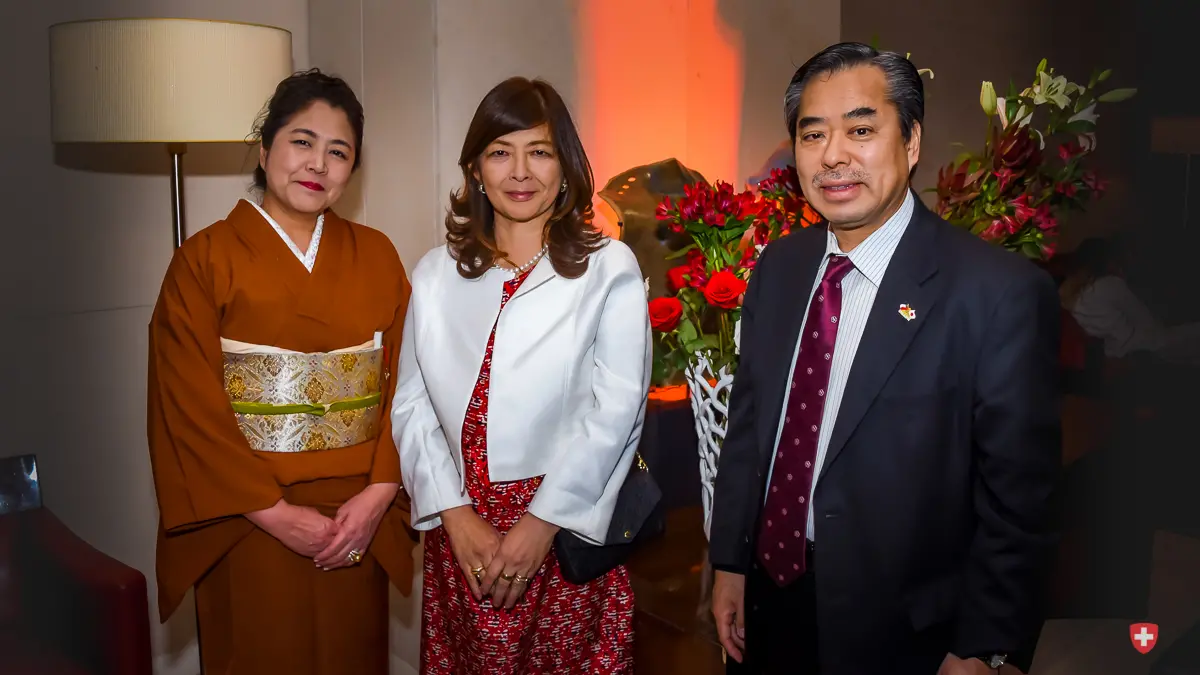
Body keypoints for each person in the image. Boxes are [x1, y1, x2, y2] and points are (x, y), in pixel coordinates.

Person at [708, 42, 1062, 675]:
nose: (833, 156)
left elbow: (1019, 503)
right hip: (769, 599)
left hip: (905, 631)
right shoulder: (780, 267)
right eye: (813, 135)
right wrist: (730, 562)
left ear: (912, 141)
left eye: (862, 130)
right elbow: (750, 429)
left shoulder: (996, 293)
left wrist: (982, 645)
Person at [146, 69, 415, 674]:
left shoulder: (377, 255)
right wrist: (271, 511)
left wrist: (380, 492)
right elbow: (184, 402)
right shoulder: (203, 259)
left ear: (353, 169)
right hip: (245, 517)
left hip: (357, 517)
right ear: (265, 150)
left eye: (339, 151)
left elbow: (410, 383)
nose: (318, 163)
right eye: (302, 141)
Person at [391, 76, 651, 674]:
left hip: (564, 526)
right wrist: (453, 515)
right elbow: (411, 405)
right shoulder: (435, 275)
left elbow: (617, 411)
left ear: (565, 166)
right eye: (500, 152)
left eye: (539, 152)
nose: (520, 172)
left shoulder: (607, 268)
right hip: (463, 530)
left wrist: (541, 522)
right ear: (476, 170)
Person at [1061, 237, 1200, 364]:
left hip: (1112, 351)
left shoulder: (1068, 292)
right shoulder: (1109, 284)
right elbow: (1144, 318)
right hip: (1136, 345)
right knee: (1188, 334)